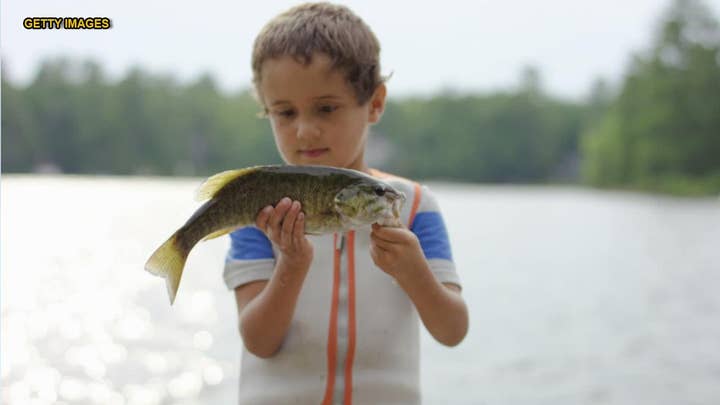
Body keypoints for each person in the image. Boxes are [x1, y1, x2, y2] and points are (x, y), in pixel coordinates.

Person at [223, 3, 468, 403]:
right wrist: (292, 266)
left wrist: (415, 273)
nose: (304, 130)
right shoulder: (259, 209)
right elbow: (259, 341)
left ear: (374, 103)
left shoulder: (416, 206)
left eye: (326, 108)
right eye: (284, 112)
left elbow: (452, 330)